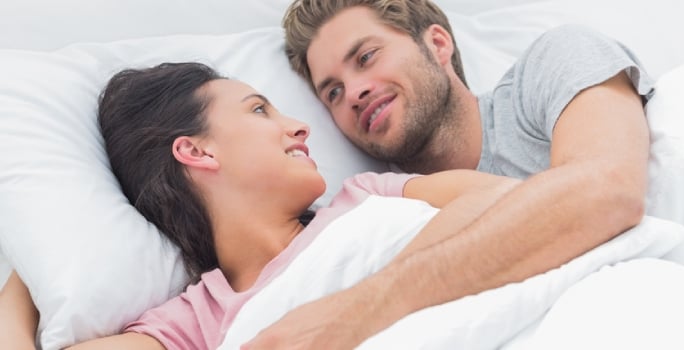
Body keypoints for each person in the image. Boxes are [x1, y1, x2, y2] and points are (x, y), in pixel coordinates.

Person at [0, 61, 523, 349]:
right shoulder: (194, 324)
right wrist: (35, 258)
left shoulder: (370, 195)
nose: (298, 126)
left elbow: (524, 207)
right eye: (258, 110)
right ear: (196, 150)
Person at [240, 0, 654, 348]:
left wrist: (357, 312)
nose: (353, 93)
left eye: (366, 57)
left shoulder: (554, 61)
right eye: (333, 92)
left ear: (437, 44)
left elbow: (608, 191)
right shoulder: (378, 216)